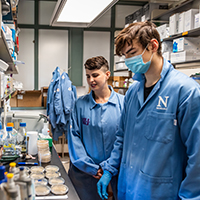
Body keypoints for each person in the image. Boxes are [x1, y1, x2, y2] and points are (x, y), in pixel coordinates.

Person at [97, 21, 200, 200]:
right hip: (127, 188)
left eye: (132, 53)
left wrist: (190, 197)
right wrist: (109, 169)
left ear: (153, 46)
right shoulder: (132, 92)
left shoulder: (185, 91)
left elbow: (197, 154)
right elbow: (122, 137)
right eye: (124, 56)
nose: (128, 61)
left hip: (160, 192)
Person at [68, 56, 124, 200]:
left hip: (116, 171)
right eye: (88, 76)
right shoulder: (79, 105)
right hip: (84, 174)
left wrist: (109, 169)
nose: (91, 80)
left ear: (107, 74)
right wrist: (92, 168)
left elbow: (126, 139)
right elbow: (74, 139)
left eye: (95, 75)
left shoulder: (123, 104)